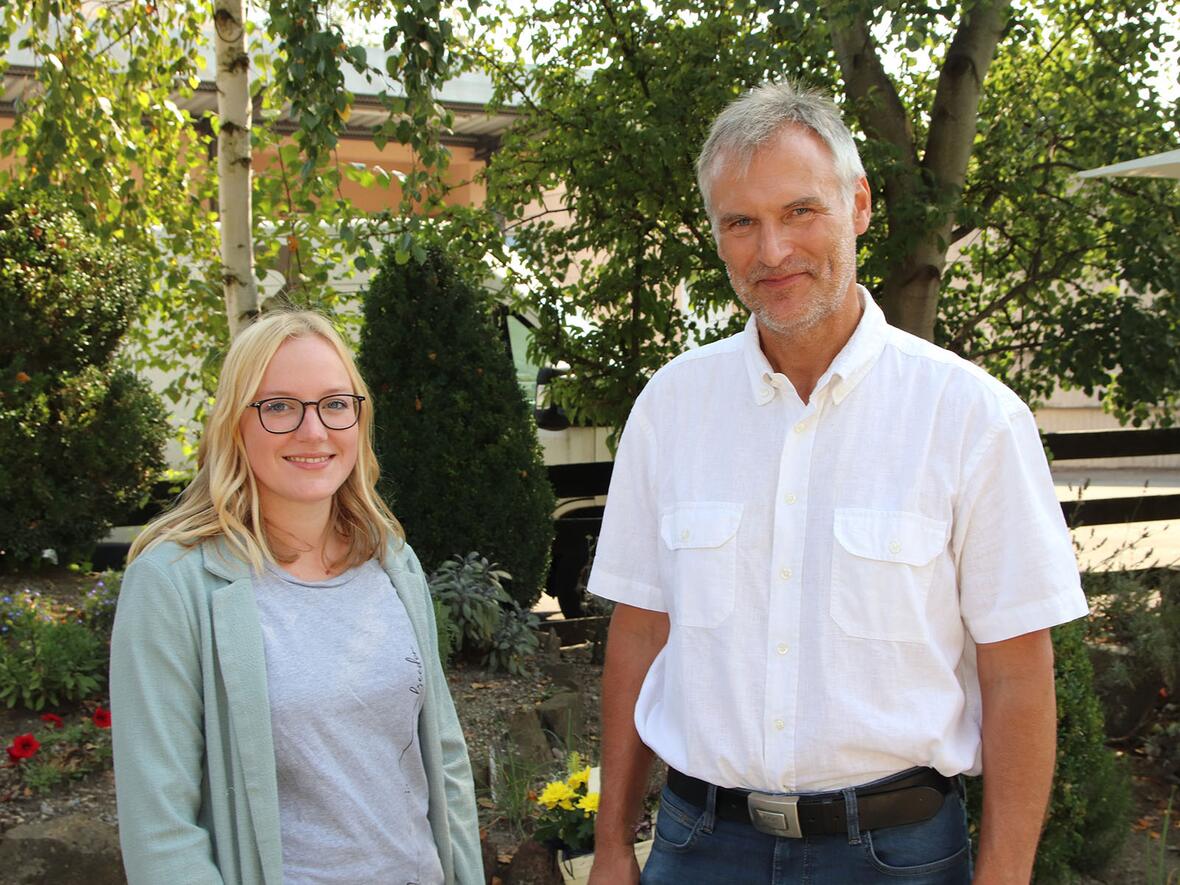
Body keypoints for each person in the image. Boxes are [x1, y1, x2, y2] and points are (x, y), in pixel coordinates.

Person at [586, 81, 1088, 885]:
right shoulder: (671, 408)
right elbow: (640, 635)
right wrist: (612, 844)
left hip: (898, 856)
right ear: (717, 237)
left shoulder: (972, 418)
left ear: (857, 205)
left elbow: (1018, 672)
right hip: (699, 847)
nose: (772, 251)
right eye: (741, 222)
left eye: (799, 212)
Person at [110, 310, 483, 885]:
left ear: (359, 420)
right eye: (279, 406)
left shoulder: (391, 559)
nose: (314, 432)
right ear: (235, 424)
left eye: (335, 404)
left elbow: (444, 753)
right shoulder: (174, 582)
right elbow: (161, 830)